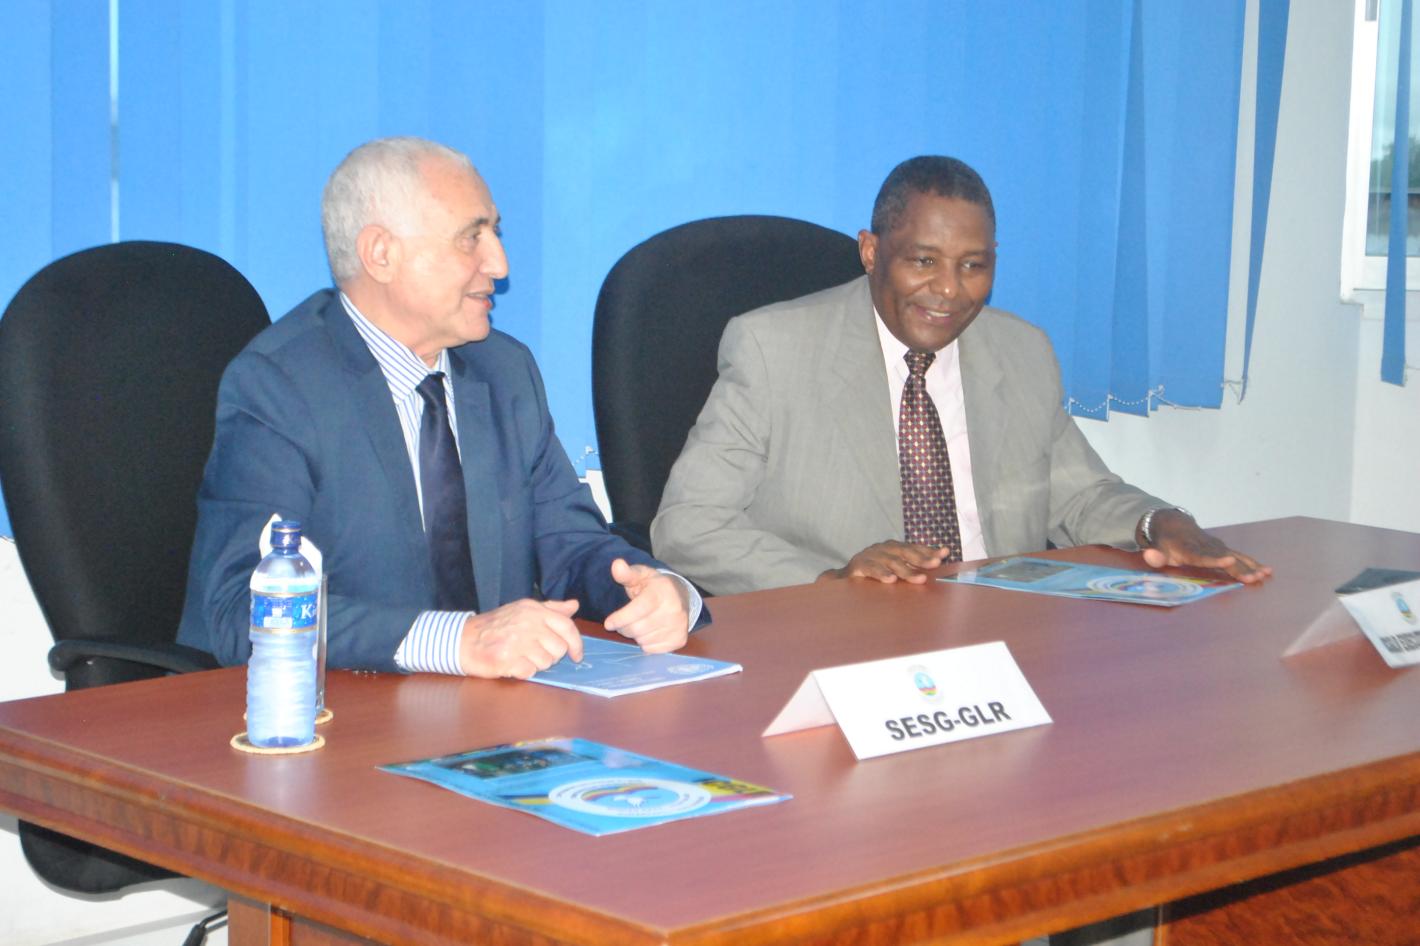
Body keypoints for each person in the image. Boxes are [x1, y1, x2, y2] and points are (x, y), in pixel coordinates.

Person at [179, 136, 702, 678]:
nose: (499, 263)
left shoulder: (504, 370)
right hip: (340, 710)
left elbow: (569, 545)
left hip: (497, 710)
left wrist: (657, 590)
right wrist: (458, 640)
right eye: (471, 238)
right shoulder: (281, 385)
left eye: (495, 232)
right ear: (381, 254)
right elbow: (239, 609)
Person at [651, 155, 1270, 596]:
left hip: (1003, 630)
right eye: (924, 261)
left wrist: (1160, 523)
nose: (949, 290)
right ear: (871, 251)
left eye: (973, 266)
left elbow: (1079, 495)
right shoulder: (773, 349)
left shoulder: (1021, 351)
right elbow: (689, 525)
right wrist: (831, 580)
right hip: (847, 639)